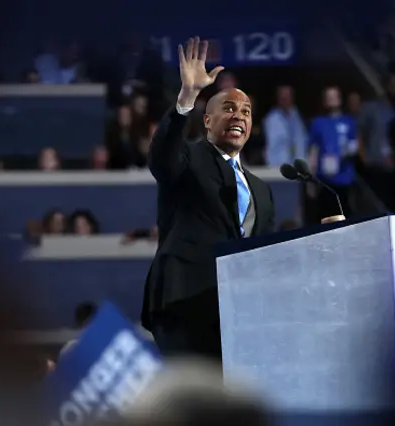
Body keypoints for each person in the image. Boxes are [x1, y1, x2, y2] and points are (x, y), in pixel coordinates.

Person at [142, 37, 276, 360]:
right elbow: (162, 157)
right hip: (185, 301)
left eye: (246, 111)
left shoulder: (261, 190)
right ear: (207, 121)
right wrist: (186, 97)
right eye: (228, 108)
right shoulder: (189, 158)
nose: (239, 116)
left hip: (236, 313)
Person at [307, 86, 358, 221]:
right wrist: (310, 180)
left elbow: (354, 147)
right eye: (328, 97)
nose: (332, 100)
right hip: (325, 181)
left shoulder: (349, 122)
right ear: (324, 101)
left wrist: (340, 159)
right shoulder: (318, 123)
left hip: (344, 179)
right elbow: (313, 151)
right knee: (326, 218)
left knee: (346, 218)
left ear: (340, 99)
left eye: (334, 96)